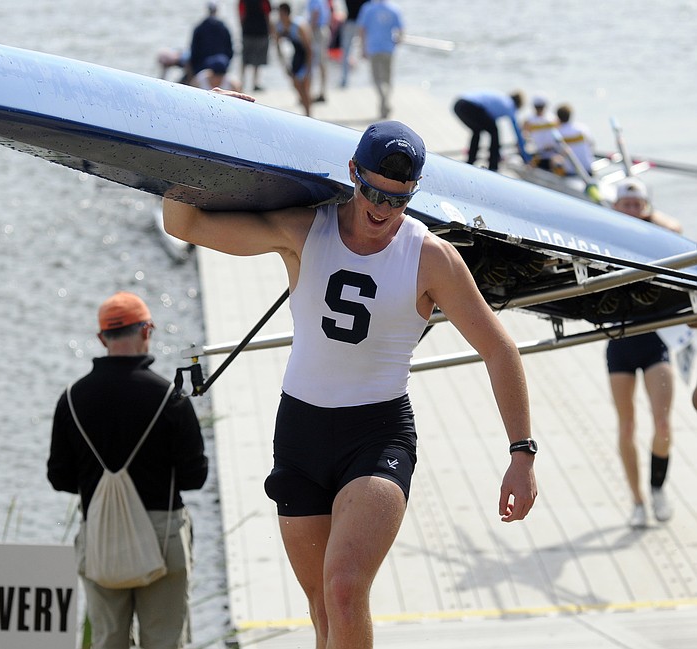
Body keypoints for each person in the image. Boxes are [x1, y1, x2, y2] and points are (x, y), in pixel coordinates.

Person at [163, 119, 537, 648]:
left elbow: (500, 349)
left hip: (377, 435)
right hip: (300, 433)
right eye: (373, 193)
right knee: (320, 610)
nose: (383, 209)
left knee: (343, 589)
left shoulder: (430, 257)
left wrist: (522, 452)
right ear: (352, 174)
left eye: (399, 199)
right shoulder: (303, 231)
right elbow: (185, 225)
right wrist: (203, 120)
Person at [47, 291, 208, 649]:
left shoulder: (71, 398)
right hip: (162, 533)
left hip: (101, 532)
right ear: (146, 331)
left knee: (107, 641)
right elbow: (194, 477)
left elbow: (59, 477)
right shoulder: (172, 397)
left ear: (102, 338)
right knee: (164, 642)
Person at [606, 178, 681, 529]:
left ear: (646, 209)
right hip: (620, 342)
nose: (632, 210)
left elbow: (677, 228)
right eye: (626, 204)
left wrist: (647, 217)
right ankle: (637, 501)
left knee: (663, 423)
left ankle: (657, 488)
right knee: (627, 426)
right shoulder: (604, 237)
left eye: (638, 205)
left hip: (653, 340)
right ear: (615, 207)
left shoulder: (655, 238)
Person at [453, 90, 531, 171]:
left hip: (458, 104)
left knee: (477, 130)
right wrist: (526, 158)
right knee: (494, 131)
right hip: (469, 105)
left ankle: (470, 161)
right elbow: (517, 134)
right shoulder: (510, 105)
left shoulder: (503, 99)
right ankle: (493, 165)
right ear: (518, 104)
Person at [357, 0, 403, 119]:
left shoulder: (368, 8)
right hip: (388, 48)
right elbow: (401, 31)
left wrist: (362, 48)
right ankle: (385, 102)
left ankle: (383, 101)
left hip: (373, 48)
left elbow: (362, 30)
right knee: (387, 79)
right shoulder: (394, 9)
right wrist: (398, 41)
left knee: (376, 79)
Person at [274, 2, 313, 117]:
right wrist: (283, 64)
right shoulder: (280, 26)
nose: (279, 17)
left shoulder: (298, 26)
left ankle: (308, 115)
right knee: (296, 85)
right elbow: (277, 45)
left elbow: (309, 49)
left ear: (286, 14)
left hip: (305, 55)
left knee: (305, 88)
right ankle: (306, 111)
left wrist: (308, 69)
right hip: (296, 55)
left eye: (281, 14)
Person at [189, 1, 234, 81]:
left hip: (202, 64)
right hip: (221, 64)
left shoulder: (200, 27)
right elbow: (230, 49)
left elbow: (194, 49)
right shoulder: (223, 27)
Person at [238, 0, 272, 92]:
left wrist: (243, 28)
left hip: (248, 31)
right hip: (261, 31)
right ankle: (255, 83)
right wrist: (270, 30)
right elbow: (267, 15)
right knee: (258, 59)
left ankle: (242, 82)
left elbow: (241, 14)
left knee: (245, 59)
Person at [553, 103, 595, 176]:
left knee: (553, 160)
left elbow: (557, 151)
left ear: (558, 117)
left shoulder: (558, 133)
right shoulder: (582, 128)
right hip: (588, 169)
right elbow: (592, 144)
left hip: (571, 172)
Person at [521, 94, 559, 170]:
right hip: (553, 155)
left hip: (539, 157)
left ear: (534, 106)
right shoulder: (553, 119)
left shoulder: (528, 121)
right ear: (545, 106)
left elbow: (522, 138)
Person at [306, 0, 331, 102]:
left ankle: (318, 92)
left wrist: (309, 30)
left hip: (317, 31)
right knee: (321, 63)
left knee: (317, 62)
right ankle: (320, 91)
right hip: (321, 30)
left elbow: (315, 13)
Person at [338, 0, 367, 88]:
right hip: (362, 24)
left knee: (346, 53)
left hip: (350, 22)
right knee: (365, 51)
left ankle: (345, 80)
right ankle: (366, 79)